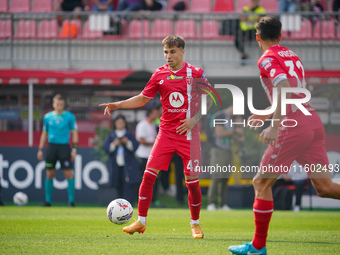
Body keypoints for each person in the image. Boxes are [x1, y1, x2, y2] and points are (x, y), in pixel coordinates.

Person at [228, 16, 340, 255]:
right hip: (312, 122)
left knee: (261, 182)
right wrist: (267, 114)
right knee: (325, 187)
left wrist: (276, 125)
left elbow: (283, 89)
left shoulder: (267, 58)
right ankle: (257, 245)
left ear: (257, 37)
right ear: (280, 36)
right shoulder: (292, 56)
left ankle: (257, 247)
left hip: (294, 127)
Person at [99, 34, 214, 239]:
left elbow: (210, 100)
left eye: (172, 52)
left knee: (192, 182)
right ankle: (141, 222)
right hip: (167, 133)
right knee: (148, 175)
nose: (168, 56)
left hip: (189, 134)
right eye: (165, 52)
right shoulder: (159, 74)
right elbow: (143, 98)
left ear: (181, 52)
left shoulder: (196, 73)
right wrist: (118, 104)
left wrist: (195, 119)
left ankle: (195, 224)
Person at [37, 94, 78, 207]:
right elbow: (44, 134)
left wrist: (74, 149)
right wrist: (40, 149)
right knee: (50, 174)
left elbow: (74, 133)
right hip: (51, 147)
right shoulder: (47, 117)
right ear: (53, 104)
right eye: (57, 104)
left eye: (61, 104)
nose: (59, 106)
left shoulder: (70, 117)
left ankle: (71, 201)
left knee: (68, 173)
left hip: (64, 147)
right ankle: (48, 201)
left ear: (64, 105)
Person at [103, 115, 140, 205]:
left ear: (125, 124)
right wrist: (114, 144)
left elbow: (135, 147)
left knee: (128, 185)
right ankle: (119, 205)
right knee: (117, 185)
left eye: (122, 123)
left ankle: (128, 204)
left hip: (128, 165)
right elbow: (106, 148)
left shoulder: (128, 134)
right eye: (118, 122)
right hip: (116, 165)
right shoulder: (111, 135)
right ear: (115, 124)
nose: (120, 124)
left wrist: (127, 142)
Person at [207, 106, 234, 211]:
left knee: (225, 178)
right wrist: (234, 132)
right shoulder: (220, 116)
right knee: (216, 176)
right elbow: (219, 133)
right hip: (218, 150)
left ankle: (222, 204)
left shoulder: (229, 118)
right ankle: (211, 203)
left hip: (227, 150)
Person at [135, 108, 160, 206]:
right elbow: (141, 140)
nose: (157, 114)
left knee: (154, 180)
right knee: (143, 180)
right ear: (150, 113)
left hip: (151, 156)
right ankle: (140, 201)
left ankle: (153, 201)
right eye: (155, 112)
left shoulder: (153, 125)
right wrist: (155, 143)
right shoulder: (142, 124)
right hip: (143, 156)